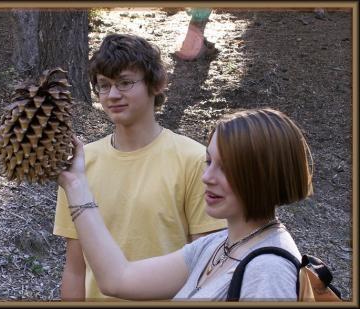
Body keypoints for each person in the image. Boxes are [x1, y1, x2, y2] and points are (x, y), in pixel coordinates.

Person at [57, 108, 314, 301]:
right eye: (209, 161)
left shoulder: (267, 270)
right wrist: (75, 184)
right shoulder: (217, 245)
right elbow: (118, 279)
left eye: (227, 169)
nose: (207, 178)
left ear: (264, 175)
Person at [53, 33, 227, 300]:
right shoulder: (79, 165)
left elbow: (209, 269)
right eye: (103, 85)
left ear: (155, 85)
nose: (112, 95)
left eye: (125, 83)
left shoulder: (194, 161)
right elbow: (76, 269)